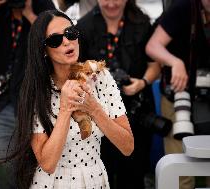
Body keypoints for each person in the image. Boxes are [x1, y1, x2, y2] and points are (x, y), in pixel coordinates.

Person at [12, 9, 134, 189]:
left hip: (95, 179)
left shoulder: (100, 76)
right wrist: (66, 108)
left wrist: (93, 108)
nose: (67, 42)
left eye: (70, 33)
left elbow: (127, 146)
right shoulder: (37, 90)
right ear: (43, 49)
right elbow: (47, 164)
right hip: (51, 183)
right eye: (55, 40)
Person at [0, 0, 55, 188]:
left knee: (42, 161)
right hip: (7, 100)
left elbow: (57, 45)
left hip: (39, 100)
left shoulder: (43, 5)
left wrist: (31, 16)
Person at [76, 0, 161, 188]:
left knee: (133, 176)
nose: (111, 4)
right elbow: (74, 69)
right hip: (98, 114)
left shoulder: (142, 23)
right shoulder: (83, 26)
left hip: (136, 111)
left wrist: (143, 82)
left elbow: (154, 66)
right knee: (98, 176)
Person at [146, 0, 210, 188]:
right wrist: (175, 63)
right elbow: (153, 46)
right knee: (182, 171)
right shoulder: (183, 7)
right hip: (179, 95)